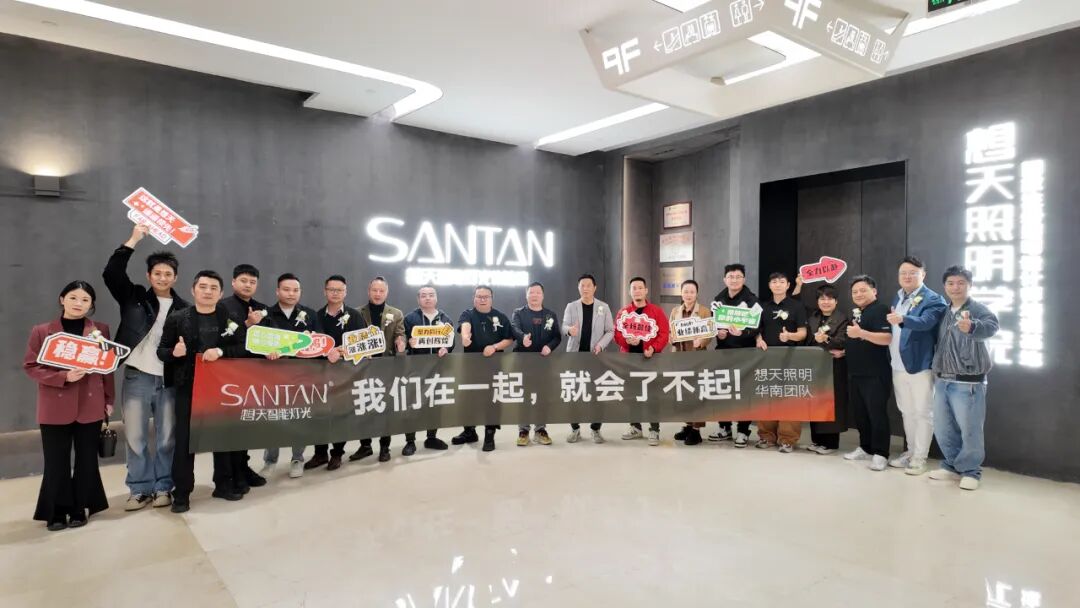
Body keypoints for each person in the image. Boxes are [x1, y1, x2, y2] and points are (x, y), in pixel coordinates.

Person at [102, 224, 189, 511]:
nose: (163, 278)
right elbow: (111, 274)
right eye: (157, 273)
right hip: (137, 376)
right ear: (149, 275)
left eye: (168, 273)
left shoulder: (184, 308)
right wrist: (134, 239)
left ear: (175, 277)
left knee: (166, 438)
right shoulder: (135, 297)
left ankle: (164, 486)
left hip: (168, 380)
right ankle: (139, 489)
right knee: (136, 437)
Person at [23, 281, 112, 531]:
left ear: (91, 305)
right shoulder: (42, 331)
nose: (78, 304)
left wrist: (108, 400)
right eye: (73, 298)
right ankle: (56, 511)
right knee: (56, 461)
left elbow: (107, 368)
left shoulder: (100, 330)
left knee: (87, 460)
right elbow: (31, 366)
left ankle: (79, 508)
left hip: (90, 404)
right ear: (62, 299)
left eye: (85, 300)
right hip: (54, 406)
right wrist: (63, 377)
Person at [156, 271, 249, 512]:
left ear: (221, 293)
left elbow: (244, 347)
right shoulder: (178, 318)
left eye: (213, 288)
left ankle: (223, 484)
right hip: (188, 387)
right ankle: (182, 493)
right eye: (203, 286)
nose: (208, 291)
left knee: (222, 435)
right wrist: (174, 353)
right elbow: (161, 351)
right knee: (185, 441)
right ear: (193, 290)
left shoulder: (230, 318)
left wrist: (220, 352)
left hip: (222, 389)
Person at [929, 266, 1000, 491]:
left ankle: (971, 471)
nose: (955, 287)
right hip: (943, 379)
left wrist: (973, 327)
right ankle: (951, 466)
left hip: (968, 381)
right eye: (950, 283)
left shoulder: (978, 309)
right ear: (944, 286)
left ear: (970, 285)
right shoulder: (944, 311)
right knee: (943, 427)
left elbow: (992, 326)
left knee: (970, 429)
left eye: (961, 283)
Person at [886, 256, 947, 476]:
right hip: (898, 364)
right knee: (907, 412)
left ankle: (920, 458)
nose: (907, 276)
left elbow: (926, 322)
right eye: (903, 272)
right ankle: (911, 452)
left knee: (923, 413)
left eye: (913, 272)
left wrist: (903, 319)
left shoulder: (934, 299)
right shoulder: (899, 296)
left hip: (920, 365)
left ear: (923, 275)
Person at [260, 273, 322, 479]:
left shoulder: (310, 315)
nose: (291, 294)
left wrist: (312, 342)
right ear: (277, 291)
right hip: (273, 376)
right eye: (286, 289)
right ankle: (270, 461)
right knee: (273, 418)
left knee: (300, 417)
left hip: (301, 375)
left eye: (295, 290)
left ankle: (297, 458)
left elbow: (320, 344)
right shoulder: (266, 315)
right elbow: (256, 345)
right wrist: (266, 352)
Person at [220, 263, 269, 490]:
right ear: (233, 282)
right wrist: (248, 324)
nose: (248, 285)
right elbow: (222, 339)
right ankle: (230, 474)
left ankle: (243, 467)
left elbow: (271, 338)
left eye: (252, 282)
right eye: (243, 281)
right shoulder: (222, 307)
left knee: (246, 424)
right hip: (228, 374)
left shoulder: (261, 308)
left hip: (254, 375)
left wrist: (275, 350)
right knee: (229, 426)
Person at [349, 277, 407, 463]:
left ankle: (384, 447)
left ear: (386, 293)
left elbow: (400, 335)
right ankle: (365, 446)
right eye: (374, 290)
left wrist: (401, 343)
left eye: (381, 291)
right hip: (362, 368)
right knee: (364, 406)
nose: (378, 294)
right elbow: (351, 339)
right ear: (369, 291)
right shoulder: (356, 313)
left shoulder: (396, 313)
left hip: (386, 367)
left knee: (385, 409)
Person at [306, 275, 361, 470]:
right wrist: (326, 352)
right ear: (325, 291)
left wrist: (344, 351)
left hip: (345, 374)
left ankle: (337, 453)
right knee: (319, 414)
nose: (335, 293)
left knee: (340, 415)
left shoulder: (355, 316)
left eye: (339, 290)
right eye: (332, 289)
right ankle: (320, 453)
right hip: (319, 373)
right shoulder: (315, 316)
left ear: (345, 292)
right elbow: (310, 345)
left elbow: (362, 345)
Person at [843, 275, 895, 471]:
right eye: (854, 292)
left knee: (876, 414)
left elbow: (887, 338)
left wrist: (861, 334)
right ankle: (866, 447)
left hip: (875, 373)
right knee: (861, 414)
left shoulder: (880, 309)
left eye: (863, 290)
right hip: (856, 372)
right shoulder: (858, 312)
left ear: (874, 291)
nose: (858, 294)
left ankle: (881, 453)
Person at [453, 286, 515, 452]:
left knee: (491, 400)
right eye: (479, 296)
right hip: (471, 366)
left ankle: (489, 434)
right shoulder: (467, 314)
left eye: (485, 297)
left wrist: (494, 347)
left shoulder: (500, 317)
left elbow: (509, 338)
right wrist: (465, 337)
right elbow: (465, 327)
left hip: (493, 366)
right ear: (474, 298)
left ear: (491, 299)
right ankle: (469, 431)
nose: (482, 299)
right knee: (469, 398)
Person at [793, 279, 849, 455]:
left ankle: (830, 443)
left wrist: (827, 339)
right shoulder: (813, 316)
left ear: (836, 301)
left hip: (832, 367)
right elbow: (795, 304)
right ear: (817, 301)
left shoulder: (842, 318)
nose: (826, 302)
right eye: (822, 299)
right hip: (814, 366)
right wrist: (798, 285)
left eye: (830, 298)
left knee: (830, 403)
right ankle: (816, 440)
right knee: (814, 401)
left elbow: (843, 341)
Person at [753, 272, 808, 453]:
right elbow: (756, 329)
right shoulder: (762, 306)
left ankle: (787, 439)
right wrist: (758, 339)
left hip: (790, 357)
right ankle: (766, 436)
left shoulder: (796, 306)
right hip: (767, 357)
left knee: (789, 398)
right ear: (770, 285)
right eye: (774, 282)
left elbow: (803, 333)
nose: (777, 284)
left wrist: (790, 336)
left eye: (781, 282)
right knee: (766, 395)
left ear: (788, 285)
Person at [614, 277, 669, 446]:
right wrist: (626, 341)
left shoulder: (656, 311)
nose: (637, 291)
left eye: (640, 288)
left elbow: (664, 334)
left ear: (646, 291)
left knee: (652, 395)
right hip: (629, 360)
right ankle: (635, 427)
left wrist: (653, 348)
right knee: (632, 395)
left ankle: (654, 429)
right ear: (629, 291)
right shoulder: (623, 312)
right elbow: (617, 334)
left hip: (650, 359)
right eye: (634, 288)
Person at [709, 263, 758, 447]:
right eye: (731, 276)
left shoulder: (752, 300)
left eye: (738, 277)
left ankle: (743, 430)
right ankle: (724, 427)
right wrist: (718, 333)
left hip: (745, 352)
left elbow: (758, 327)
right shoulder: (718, 300)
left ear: (744, 279)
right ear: (725, 279)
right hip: (723, 352)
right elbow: (714, 324)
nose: (734, 280)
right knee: (723, 390)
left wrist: (743, 333)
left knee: (744, 392)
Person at [562, 273, 615, 443]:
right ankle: (575, 429)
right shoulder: (571, 306)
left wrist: (600, 345)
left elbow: (610, 331)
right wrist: (570, 330)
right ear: (578, 288)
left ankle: (596, 429)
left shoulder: (603, 307)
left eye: (588, 285)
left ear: (594, 288)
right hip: (575, 357)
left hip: (596, 357)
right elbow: (563, 326)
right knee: (574, 393)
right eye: (582, 285)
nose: (585, 288)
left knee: (597, 394)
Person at [402, 285, 453, 452]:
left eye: (431, 295)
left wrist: (446, 348)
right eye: (423, 295)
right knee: (413, 404)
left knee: (434, 404)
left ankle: (431, 437)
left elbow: (451, 341)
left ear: (436, 298)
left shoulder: (445, 319)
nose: (428, 298)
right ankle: (410, 441)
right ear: (418, 299)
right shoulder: (410, 318)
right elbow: (402, 339)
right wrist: (408, 342)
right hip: (415, 369)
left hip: (438, 368)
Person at [511, 282, 561, 447]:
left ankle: (540, 430)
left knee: (542, 396)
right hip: (523, 361)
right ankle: (523, 430)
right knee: (524, 396)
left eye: (538, 292)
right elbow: (514, 329)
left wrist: (550, 347)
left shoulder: (550, 315)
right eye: (531, 292)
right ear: (526, 295)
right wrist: (522, 338)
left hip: (543, 362)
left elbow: (557, 336)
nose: (534, 295)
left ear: (543, 295)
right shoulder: (519, 313)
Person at [669, 279, 711, 446]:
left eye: (692, 292)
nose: (688, 295)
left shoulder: (704, 311)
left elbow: (709, 334)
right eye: (685, 291)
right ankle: (687, 425)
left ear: (696, 293)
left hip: (697, 357)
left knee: (697, 393)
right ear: (681, 293)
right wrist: (671, 339)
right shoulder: (675, 311)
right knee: (684, 392)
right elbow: (670, 331)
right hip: (680, 357)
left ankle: (696, 430)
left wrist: (701, 341)